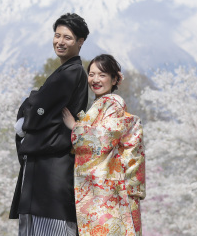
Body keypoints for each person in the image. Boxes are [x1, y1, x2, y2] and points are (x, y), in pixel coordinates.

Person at [9, 13, 90, 236]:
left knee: (51, 229)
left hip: (52, 171)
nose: (60, 42)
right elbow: (38, 105)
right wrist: (34, 101)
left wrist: (30, 106)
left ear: (80, 42)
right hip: (46, 166)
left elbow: (36, 110)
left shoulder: (72, 72)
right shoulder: (66, 72)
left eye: (68, 38)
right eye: (57, 35)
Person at [62, 54, 145, 236]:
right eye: (91, 74)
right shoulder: (101, 104)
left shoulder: (113, 104)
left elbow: (104, 139)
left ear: (115, 78)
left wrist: (74, 127)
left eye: (102, 75)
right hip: (105, 185)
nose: (95, 80)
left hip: (108, 188)